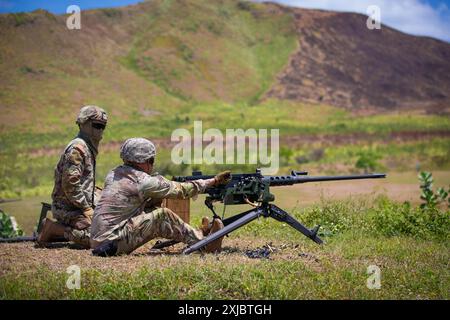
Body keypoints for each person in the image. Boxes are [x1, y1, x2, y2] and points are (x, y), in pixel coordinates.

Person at [90, 138, 231, 256]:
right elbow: (181, 190)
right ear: (145, 161)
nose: (152, 164)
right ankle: (205, 244)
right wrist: (212, 181)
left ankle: (197, 233)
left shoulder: (114, 173)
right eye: (152, 160)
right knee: (162, 215)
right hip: (111, 244)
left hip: (100, 241)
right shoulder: (144, 182)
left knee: (154, 205)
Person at [37, 105, 108, 248]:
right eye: (97, 125)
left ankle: (73, 226)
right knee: (98, 240)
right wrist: (86, 209)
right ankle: (53, 228)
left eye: (103, 126)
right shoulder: (77, 149)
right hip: (68, 208)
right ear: (83, 125)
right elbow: (71, 184)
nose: (100, 130)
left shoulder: (87, 147)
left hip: (80, 205)